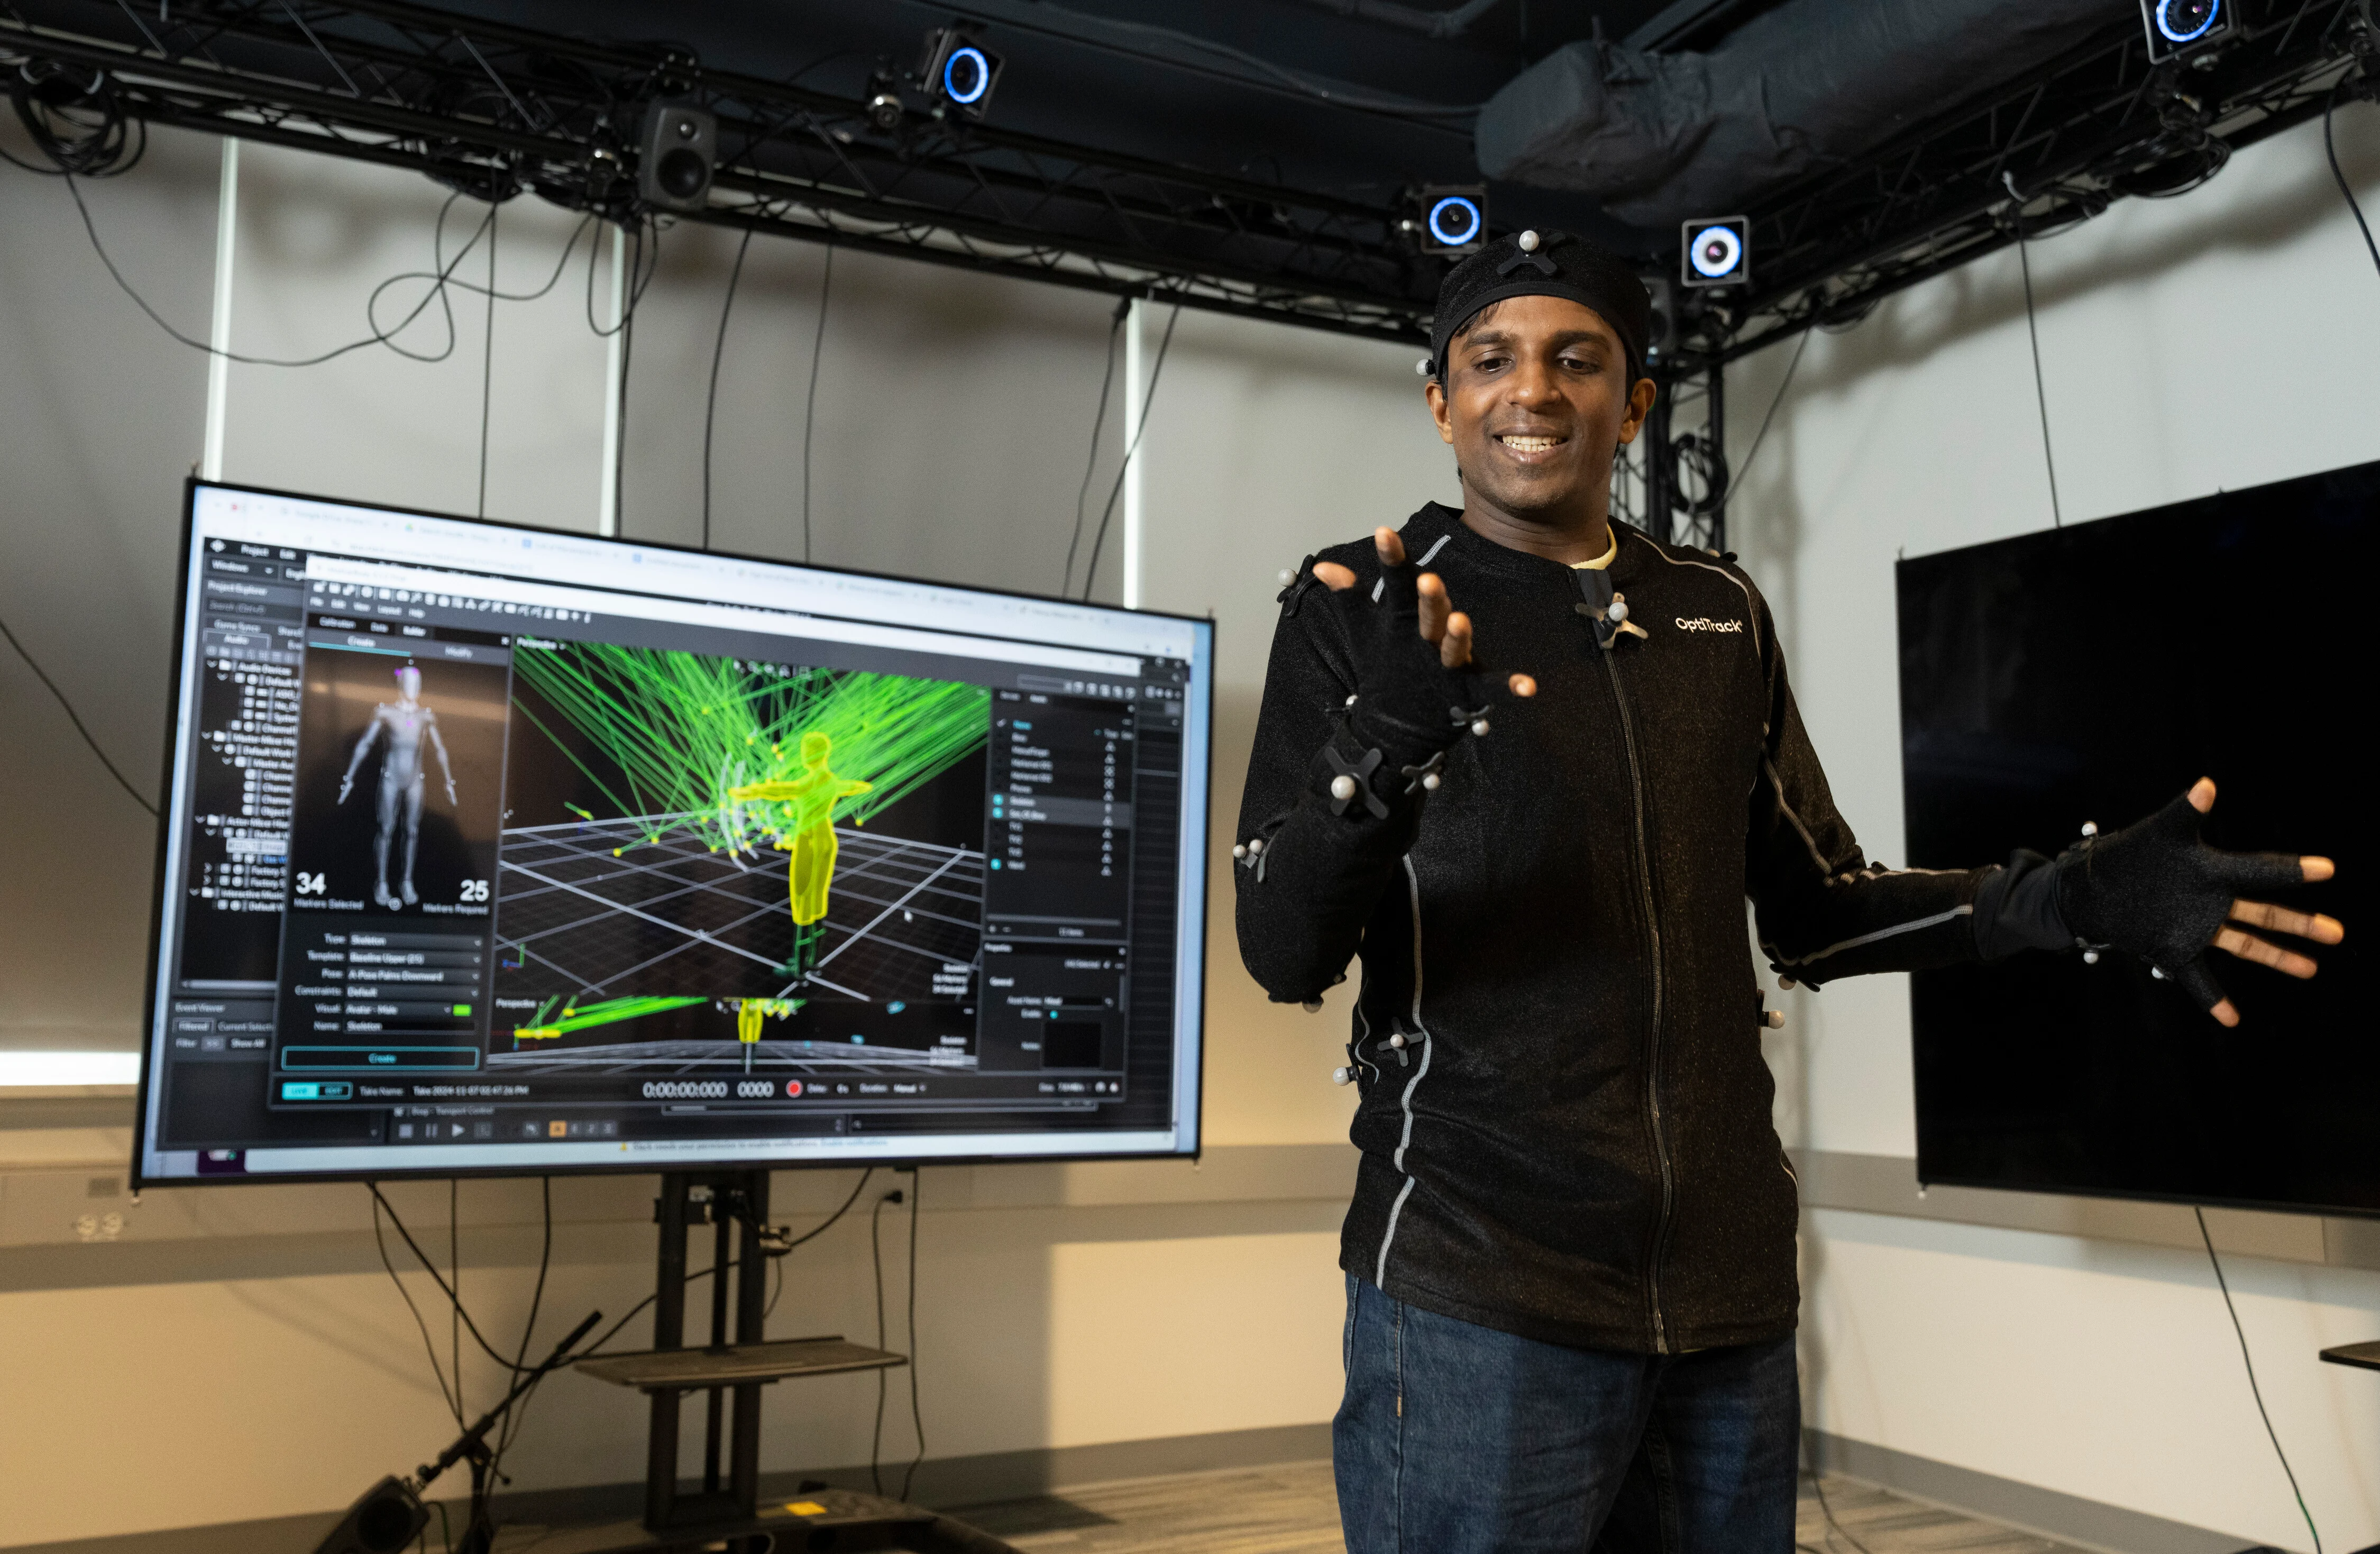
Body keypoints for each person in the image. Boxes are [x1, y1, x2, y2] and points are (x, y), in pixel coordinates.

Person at [1231, 228, 2345, 1553]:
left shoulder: (1714, 610)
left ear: (1633, 401)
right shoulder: (1357, 607)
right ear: (1438, 399)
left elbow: (1816, 906)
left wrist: (2073, 897)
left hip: (1723, 1299)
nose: (1529, 390)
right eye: (1489, 360)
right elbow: (1281, 945)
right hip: (1480, 1285)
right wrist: (1385, 735)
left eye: (1573, 358)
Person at [337, 663, 457, 911]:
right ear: (400, 685)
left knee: (412, 832)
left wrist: (449, 781)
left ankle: (407, 883)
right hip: (391, 778)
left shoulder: (426, 716)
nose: (414, 688)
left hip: (415, 780)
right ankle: (381, 883)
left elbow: (440, 749)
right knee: (386, 830)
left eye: (417, 684)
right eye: (409, 683)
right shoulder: (386, 713)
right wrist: (348, 778)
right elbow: (365, 744)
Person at [730, 730, 873, 927]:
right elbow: (850, 786)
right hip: (827, 840)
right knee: (818, 895)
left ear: (814, 754)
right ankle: (815, 949)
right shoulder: (831, 781)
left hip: (810, 840)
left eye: (806, 751)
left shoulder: (809, 782)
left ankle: (802, 954)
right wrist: (866, 787)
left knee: (802, 894)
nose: (803, 755)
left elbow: (781, 791)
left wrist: (749, 792)